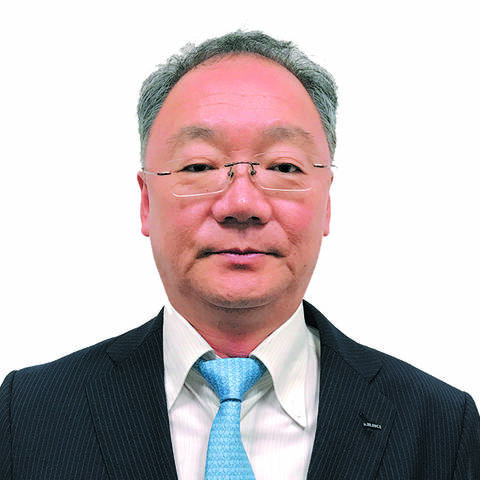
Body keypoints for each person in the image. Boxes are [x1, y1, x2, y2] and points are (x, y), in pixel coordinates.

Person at [0, 30, 478, 480]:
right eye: (200, 166)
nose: (242, 203)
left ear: (327, 202)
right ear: (146, 202)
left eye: (284, 166)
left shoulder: (440, 427)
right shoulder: (27, 416)